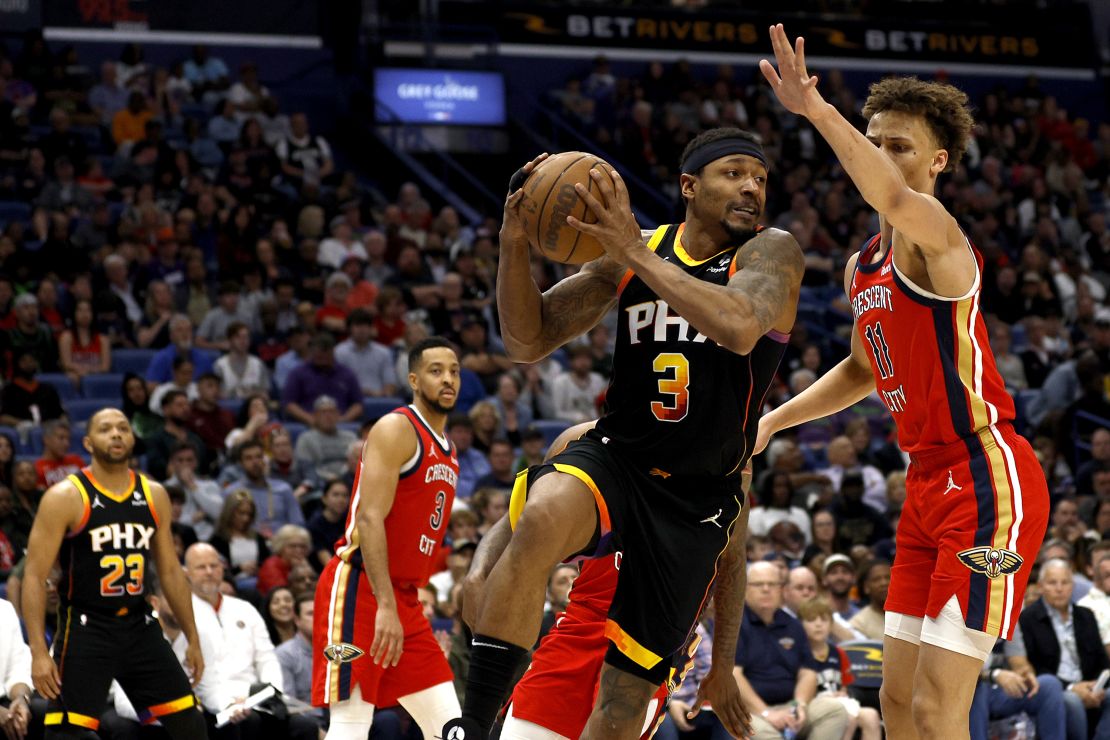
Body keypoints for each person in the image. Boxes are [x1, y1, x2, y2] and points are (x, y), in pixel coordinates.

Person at [446, 128, 803, 740]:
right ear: (689, 187)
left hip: (697, 495)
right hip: (621, 455)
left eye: (760, 178)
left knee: (621, 705)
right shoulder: (631, 252)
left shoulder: (772, 251)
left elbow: (739, 326)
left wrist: (633, 253)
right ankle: (475, 725)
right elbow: (527, 340)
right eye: (734, 173)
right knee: (543, 513)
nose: (751, 187)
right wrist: (512, 243)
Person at [756, 27, 1051, 739]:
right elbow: (863, 367)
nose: (883, 154)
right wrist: (771, 421)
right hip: (926, 485)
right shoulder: (864, 267)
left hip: (987, 478)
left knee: (935, 708)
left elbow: (888, 193)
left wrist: (816, 110)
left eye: (901, 145)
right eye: (875, 139)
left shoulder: (937, 234)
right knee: (894, 704)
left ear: (939, 162)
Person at [20, 408, 207, 737]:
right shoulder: (65, 496)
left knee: (190, 725)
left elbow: (171, 573)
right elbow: (34, 576)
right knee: (67, 734)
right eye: (106, 429)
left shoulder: (154, 494)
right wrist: (38, 651)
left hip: (140, 623)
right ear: (89, 443)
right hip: (86, 627)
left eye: (123, 428)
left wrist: (193, 636)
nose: (117, 434)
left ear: (133, 439)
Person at [311, 337, 463, 739]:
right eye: (435, 371)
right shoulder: (397, 428)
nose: (447, 379)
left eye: (453, 371)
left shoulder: (449, 451)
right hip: (361, 589)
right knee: (351, 723)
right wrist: (385, 605)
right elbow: (370, 516)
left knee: (451, 727)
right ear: (414, 379)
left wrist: (400, 603)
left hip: (405, 600)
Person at [184, 543, 317, 740]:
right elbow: (196, 673)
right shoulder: (183, 613)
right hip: (212, 702)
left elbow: (267, 658)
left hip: (255, 696)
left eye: (214, 566)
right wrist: (225, 703)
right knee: (248, 722)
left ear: (222, 569)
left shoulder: (244, 608)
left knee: (305, 725)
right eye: (201, 567)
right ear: (187, 573)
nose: (209, 572)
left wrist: (270, 692)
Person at [734, 562, 849, 739]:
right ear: (744, 588)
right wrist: (766, 713)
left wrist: (800, 705)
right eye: (758, 584)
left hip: (790, 704)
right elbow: (734, 676)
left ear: (782, 590)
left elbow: (808, 672)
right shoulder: (734, 625)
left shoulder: (793, 625)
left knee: (834, 711)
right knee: (766, 734)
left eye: (772, 584)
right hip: (749, 711)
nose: (766, 589)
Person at [1018, 558, 1110, 739]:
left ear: (1072, 585)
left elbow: (1101, 659)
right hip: (1056, 690)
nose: (1059, 589)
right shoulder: (1028, 619)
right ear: (1041, 586)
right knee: (1071, 701)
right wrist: (1072, 687)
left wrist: (1095, 686)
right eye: (1052, 583)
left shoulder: (1086, 615)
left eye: (1065, 582)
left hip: (1091, 685)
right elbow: (1034, 667)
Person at [33, 419, 85, 489]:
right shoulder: (37, 467)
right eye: (61, 438)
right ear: (46, 440)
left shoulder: (76, 460)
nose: (67, 444)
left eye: (68, 439)